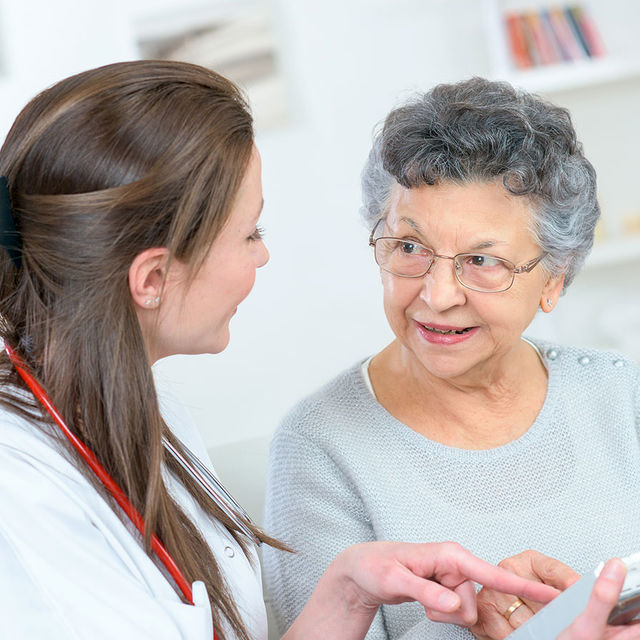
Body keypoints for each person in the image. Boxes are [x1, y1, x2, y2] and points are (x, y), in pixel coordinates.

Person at [0, 61, 567, 640]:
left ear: (556, 278)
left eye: (482, 259)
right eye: (251, 234)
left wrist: (348, 593)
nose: (261, 257)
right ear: (151, 279)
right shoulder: (20, 491)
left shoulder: (152, 417)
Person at [263, 77, 640, 640]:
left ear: (554, 278)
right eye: (410, 248)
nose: (438, 295)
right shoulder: (318, 446)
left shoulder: (623, 393)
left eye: (482, 260)